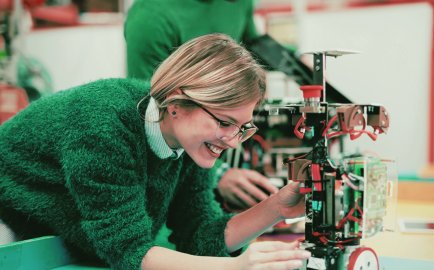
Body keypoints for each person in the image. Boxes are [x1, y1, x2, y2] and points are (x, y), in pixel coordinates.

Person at [0, 34, 309, 269]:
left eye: (242, 127)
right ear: (176, 104)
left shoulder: (189, 143)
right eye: (224, 122)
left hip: (53, 237)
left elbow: (199, 235)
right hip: (8, 222)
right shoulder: (103, 124)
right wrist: (235, 265)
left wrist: (277, 208)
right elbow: (128, 251)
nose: (232, 140)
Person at [124, 0, 279, 212]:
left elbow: (254, 47)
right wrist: (219, 174)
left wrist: (302, 67)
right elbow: (156, 112)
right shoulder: (150, 17)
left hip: (207, 144)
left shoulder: (239, 2)